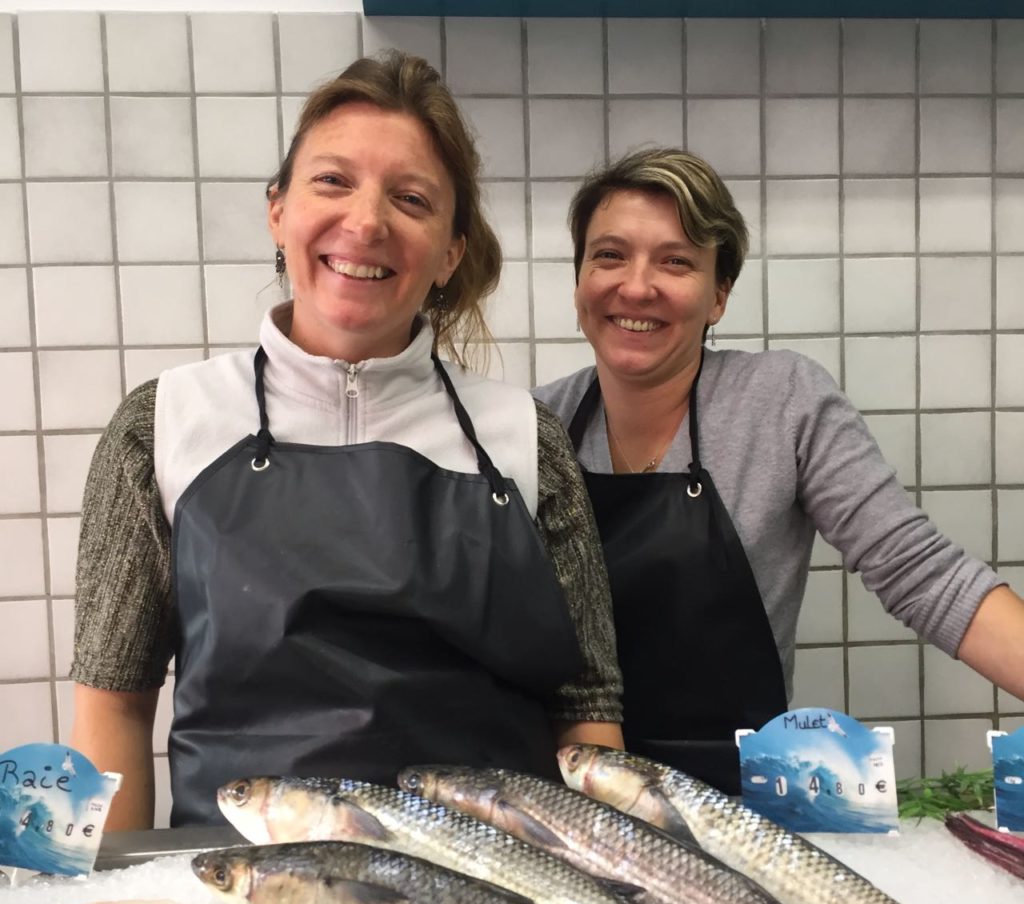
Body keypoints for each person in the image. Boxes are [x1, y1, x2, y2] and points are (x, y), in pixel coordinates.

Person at [70, 51, 623, 830]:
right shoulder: (161, 424)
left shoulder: (522, 438)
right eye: (332, 182)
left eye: (411, 198)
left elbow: (589, 714)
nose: (366, 222)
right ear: (278, 210)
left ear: (451, 250)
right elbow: (114, 706)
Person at [536, 148, 1024, 794]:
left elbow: (922, 573)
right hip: (575, 802)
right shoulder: (536, 426)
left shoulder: (782, 402)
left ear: (719, 295)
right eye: (609, 255)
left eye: (676, 260)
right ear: (578, 284)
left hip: (745, 811)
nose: (636, 285)